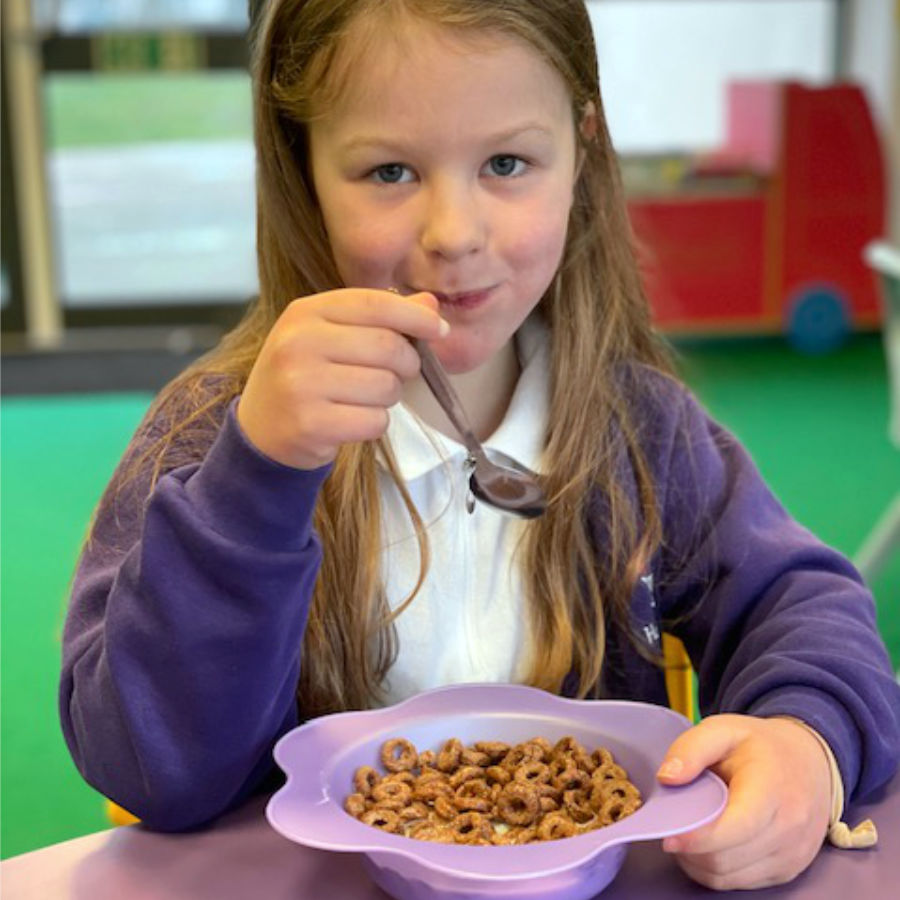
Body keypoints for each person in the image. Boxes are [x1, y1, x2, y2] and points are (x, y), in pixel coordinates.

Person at [59, 0, 899, 890]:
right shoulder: (213, 435)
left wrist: (808, 743)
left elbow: (802, 608)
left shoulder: (641, 432)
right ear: (302, 171)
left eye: (506, 162)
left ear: (582, 152)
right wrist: (257, 478)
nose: (453, 234)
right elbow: (148, 769)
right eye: (388, 171)